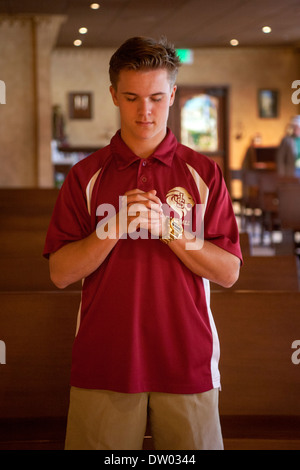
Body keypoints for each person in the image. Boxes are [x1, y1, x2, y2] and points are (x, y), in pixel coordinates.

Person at [43, 36, 242, 451]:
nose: (145, 111)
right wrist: (112, 227)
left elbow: (228, 272)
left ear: (172, 93)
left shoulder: (203, 172)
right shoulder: (85, 175)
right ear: (113, 94)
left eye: (155, 96)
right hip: (105, 361)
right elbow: (60, 273)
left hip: (187, 358)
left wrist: (169, 229)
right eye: (132, 97)